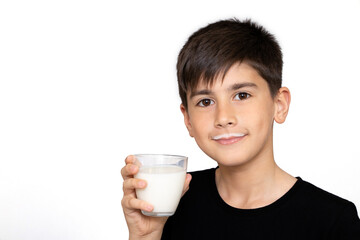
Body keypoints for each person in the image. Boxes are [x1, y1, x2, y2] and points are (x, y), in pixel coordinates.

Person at [121, 18, 360, 239]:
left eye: (242, 95)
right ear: (188, 120)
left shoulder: (332, 220)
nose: (224, 117)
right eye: (205, 102)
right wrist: (147, 236)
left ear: (279, 105)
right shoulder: (171, 204)